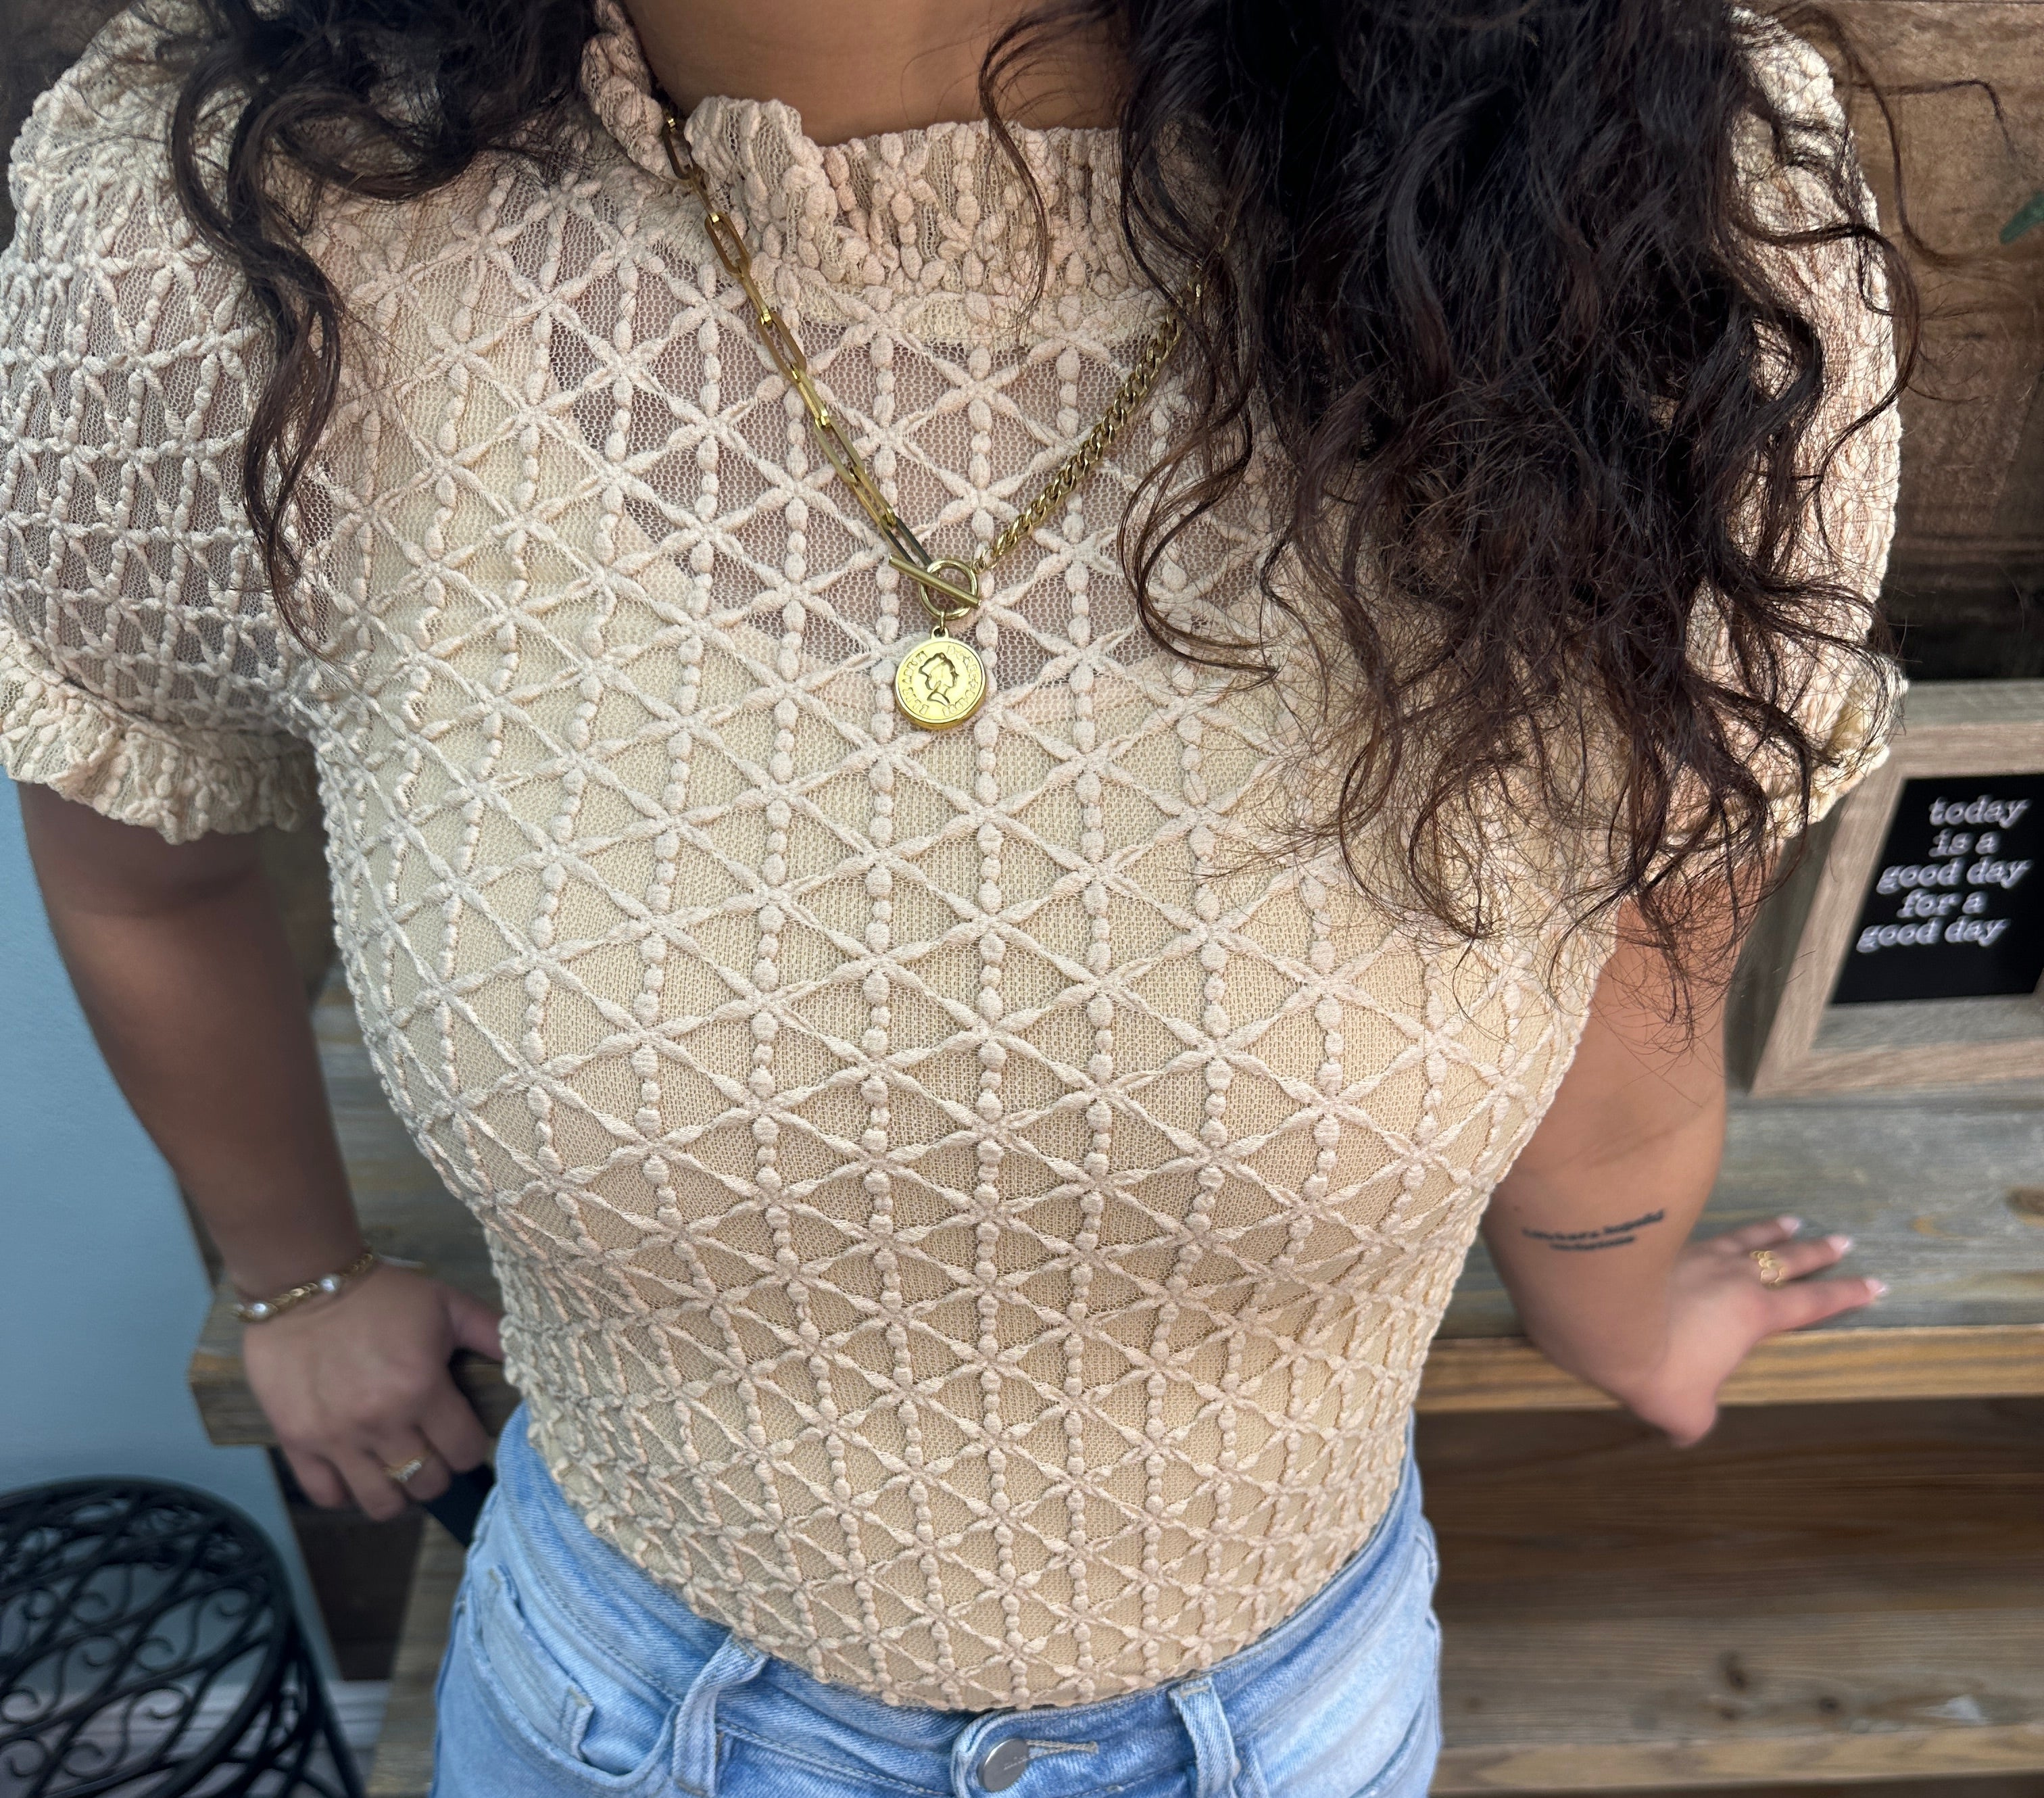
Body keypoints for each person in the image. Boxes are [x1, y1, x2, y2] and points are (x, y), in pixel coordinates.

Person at [1, 0, 1907, 1789]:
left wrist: (1614, 1303)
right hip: (616, 1709)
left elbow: (1645, 962)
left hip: (1300, 1717)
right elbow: (137, 851)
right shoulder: (244, 227)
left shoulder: (1655, 214)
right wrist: (295, 1274)